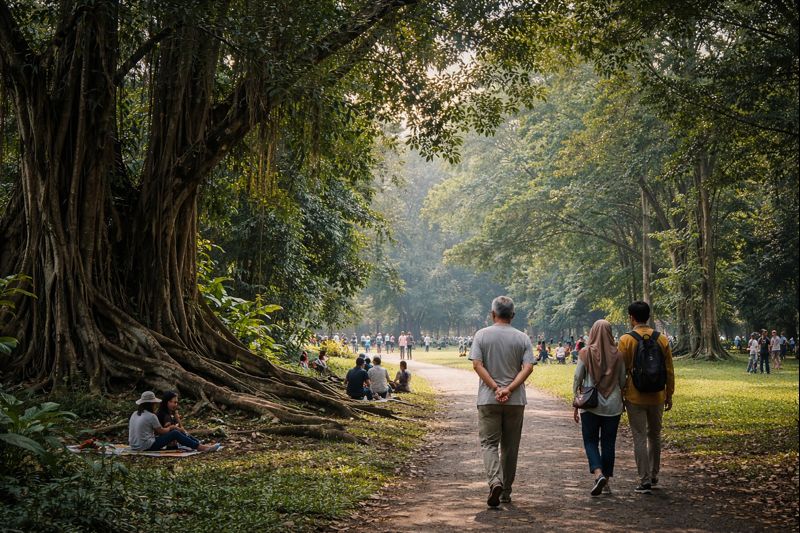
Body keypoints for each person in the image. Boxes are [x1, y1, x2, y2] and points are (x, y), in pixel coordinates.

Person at [469, 296, 534, 507]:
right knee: (510, 447)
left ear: (493, 314)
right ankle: (505, 492)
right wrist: (509, 389)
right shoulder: (522, 338)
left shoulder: (481, 335)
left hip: (488, 399)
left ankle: (495, 481)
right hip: (515, 401)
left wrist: (496, 388)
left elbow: (477, 364)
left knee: (489, 444)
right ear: (512, 315)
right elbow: (528, 367)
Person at [617, 301, 674, 494]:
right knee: (655, 435)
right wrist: (669, 394)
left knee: (639, 437)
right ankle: (654, 474)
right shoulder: (662, 339)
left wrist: (621, 394)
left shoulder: (626, 340)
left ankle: (644, 479)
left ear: (631, 318)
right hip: (657, 395)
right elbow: (669, 370)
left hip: (635, 396)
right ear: (648, 317)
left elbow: (621, 371)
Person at [573, 320, 627, 496]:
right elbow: (622, 381)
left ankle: (598, 473)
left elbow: (577, 377)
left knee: (590, 441)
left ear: (593, 332)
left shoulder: (585, 353)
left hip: (590, 404)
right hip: (613, 405)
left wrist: (575, 399)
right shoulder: (618, 355)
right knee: (608, 443)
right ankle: (606, 483)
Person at [129, 391, 218, 452]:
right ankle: (200, 447)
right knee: (175, 433)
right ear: (151, 404)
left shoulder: (134, 413)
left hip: (134, 446)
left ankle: (198, 444)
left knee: (175, 431)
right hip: (146, 446)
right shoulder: (151, 416)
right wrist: (171, 427)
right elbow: (161, 431)